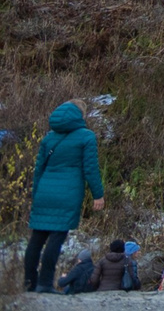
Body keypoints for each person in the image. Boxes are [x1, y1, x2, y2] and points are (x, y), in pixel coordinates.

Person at [22, 101, 105, 294]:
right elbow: (90, 168)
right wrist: (98, 195)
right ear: (80, 115)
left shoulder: (49, 138)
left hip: (44, 191)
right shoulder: (86, 137)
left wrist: (36, 196)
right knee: (56, 239)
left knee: (36, 240)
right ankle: (44, 283)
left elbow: (38, 170)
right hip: (68, 193)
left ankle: (28, 284)